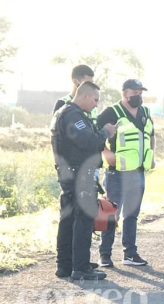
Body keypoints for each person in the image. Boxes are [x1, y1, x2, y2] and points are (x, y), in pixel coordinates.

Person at [50, 81, 118, 280]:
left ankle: (65, 265)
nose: (96, 104)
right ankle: (80, 267)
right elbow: (88, 141)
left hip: (69, 174)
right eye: (95, 100)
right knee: (84, 221)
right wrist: (106, 131)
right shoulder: (73, 115)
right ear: (85, 96)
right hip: (80, 175)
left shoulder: (62, 113)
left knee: (68, 220)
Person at [96, 79, 155, 268]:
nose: (138, 96)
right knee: (111, 213)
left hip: (138, 172)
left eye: (140, 92)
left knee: (132, 214)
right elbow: (93, 134)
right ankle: (104, 254)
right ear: (124, 93)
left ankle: (130, 253)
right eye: (134, 92)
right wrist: (105, 152)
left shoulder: (145, 112)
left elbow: (151, 134)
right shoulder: (112, 112)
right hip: (117, 172)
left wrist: (152, 155)